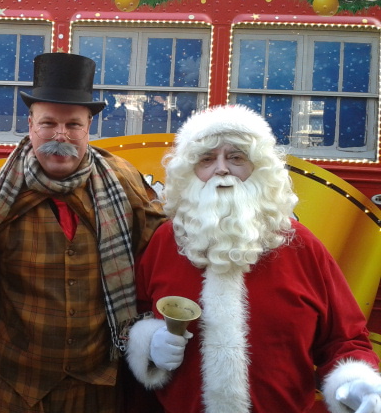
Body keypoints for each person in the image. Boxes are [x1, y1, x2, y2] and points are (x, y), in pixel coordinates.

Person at [125, 104, 381, 413]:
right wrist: (148, 343)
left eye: (236, 158)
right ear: (190, 173)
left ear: (259, 169)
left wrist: (355, 384)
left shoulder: (302, 245)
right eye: (207, 159)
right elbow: (135, 316)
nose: (221, 169)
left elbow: (345, 338)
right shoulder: (165, 242)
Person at [0, 52, 165, 412]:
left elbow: (160, 253)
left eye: (73, 124)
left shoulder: (123, 182)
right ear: (30, 124)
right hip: (12, 385)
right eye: (48, 123)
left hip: (98, 386)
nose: (61, 135)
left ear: (89, 127)